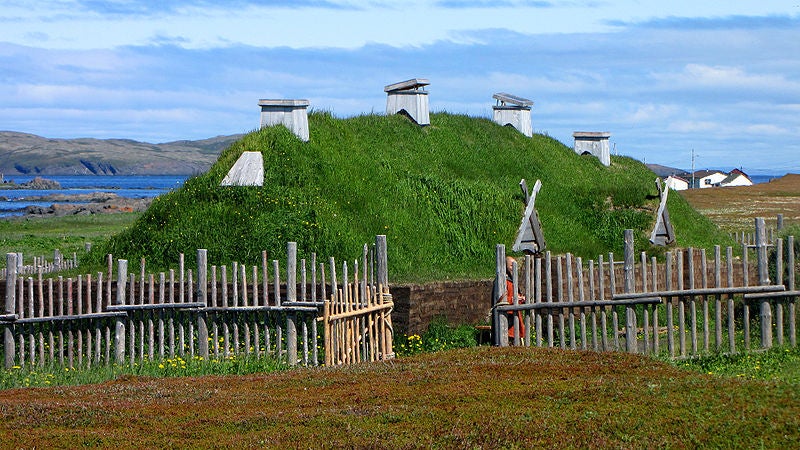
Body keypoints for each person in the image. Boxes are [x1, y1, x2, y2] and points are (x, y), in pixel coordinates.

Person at [492, 256, 525, 342]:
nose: (513, 268)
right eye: (511, 266)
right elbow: (500, 301)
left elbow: (516, 297)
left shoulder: (513, 281)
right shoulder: (501, 281)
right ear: (505, 267)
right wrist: (513, 299)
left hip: (514, 318)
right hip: (506, 317)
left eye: (515, 266)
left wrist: (521, 298)